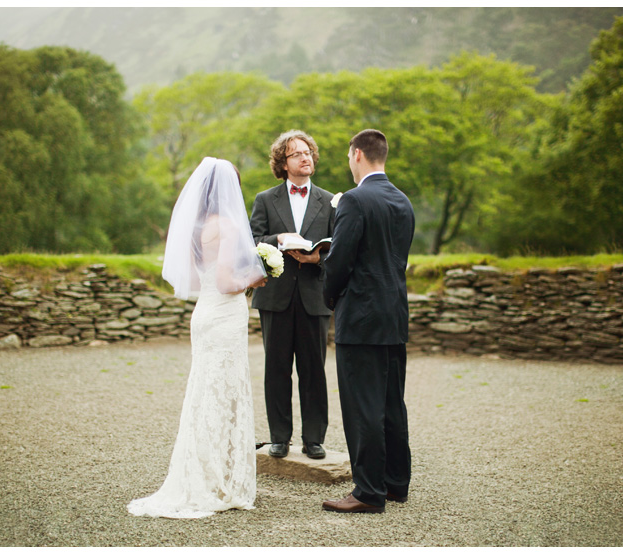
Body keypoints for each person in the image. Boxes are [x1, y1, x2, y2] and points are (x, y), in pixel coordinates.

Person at [128, 157, 268, 519]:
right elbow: (226, 282)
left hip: (203, 314)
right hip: (224, 314)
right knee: (225, 394)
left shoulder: (197, 226)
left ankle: (203, 474)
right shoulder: (230, 227)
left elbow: (195, 280)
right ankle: (219, 482)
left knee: (205, 393)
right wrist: (256, 277)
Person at [321, 129, 415, 513]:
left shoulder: (356, 201)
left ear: (357, 154)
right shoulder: (403, 200)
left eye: (348, 156)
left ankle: (368, 492)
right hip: (394, 316)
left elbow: (339, 262)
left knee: (363, 406)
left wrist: (331, 298)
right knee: (392, 402)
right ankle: (396, 483)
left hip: (360, 319)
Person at [249, 130, 336, 460]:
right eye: (297, 154)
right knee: (277, 368)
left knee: (314, 370)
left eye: (309, 152)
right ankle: (279, 438)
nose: (306, 158)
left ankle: (314, 439)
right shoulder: (264, 199)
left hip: (315, 294)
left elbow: (341, 247)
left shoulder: (330, 201)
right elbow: (253, 240)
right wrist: (279, 238)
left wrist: (319, 258)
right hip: (276, 297)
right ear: (282, 163)